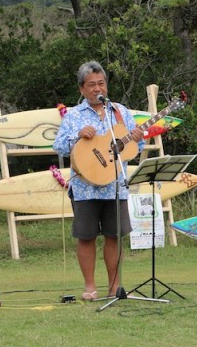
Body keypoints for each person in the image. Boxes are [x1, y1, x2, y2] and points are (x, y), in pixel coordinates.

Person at [53, 61, 144, 301]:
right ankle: (90, 286)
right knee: (87, 236)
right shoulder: (73, 115)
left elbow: (135, 146)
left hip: (115, 186)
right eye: (92, 85)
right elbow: (59, 147)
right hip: (85, 188)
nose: (97, 89)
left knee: (115, 236)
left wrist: (136, 136)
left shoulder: (120, 111)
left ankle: (114, 287)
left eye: (101, 83)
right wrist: (77, 135)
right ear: (82, 89)